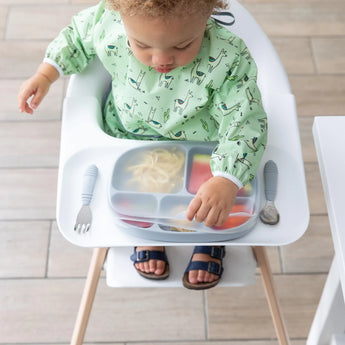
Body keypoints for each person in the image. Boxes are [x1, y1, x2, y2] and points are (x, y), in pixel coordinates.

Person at [17, 0, 267, 290]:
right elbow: (77, 34)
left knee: (208, 202)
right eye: (142, 45)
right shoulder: (109, 23)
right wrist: (46, 74)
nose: (161, 59)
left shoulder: (228, 57)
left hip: (202, 147)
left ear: (207, 17)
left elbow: (245, 120)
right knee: (140, 200)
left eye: (182, 45)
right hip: (128, 137)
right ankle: (149, 231)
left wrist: (227, 178)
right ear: (120, 18)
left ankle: (206, 238)